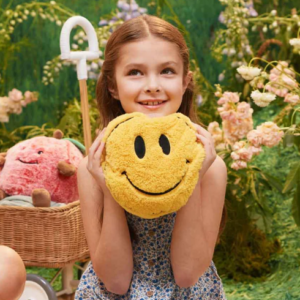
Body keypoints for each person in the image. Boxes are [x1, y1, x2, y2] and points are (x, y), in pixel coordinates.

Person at [75, 14, 227, 299]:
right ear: (112, 85)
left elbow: (186, 274)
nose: (153, 85)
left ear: (185, 82)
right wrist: (110, 187)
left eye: (167, 71)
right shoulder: (92, 169)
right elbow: (116, 282)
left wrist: (192, 174)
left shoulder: (211, 168)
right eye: (135, 72)